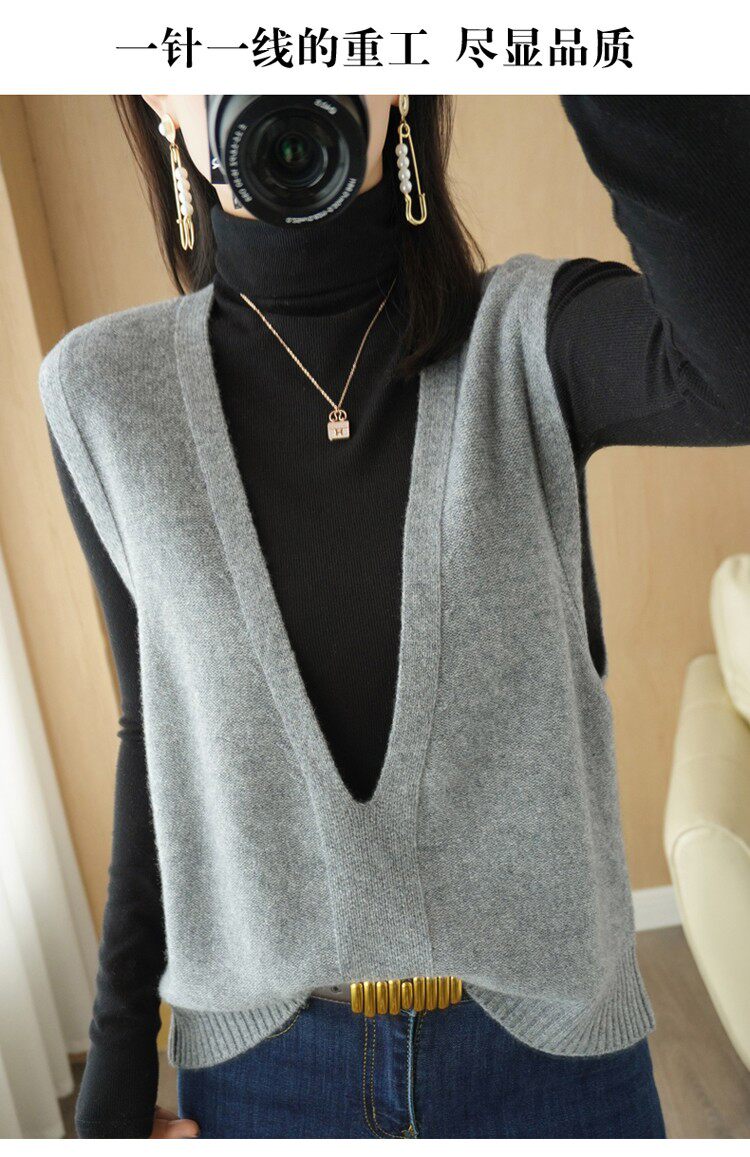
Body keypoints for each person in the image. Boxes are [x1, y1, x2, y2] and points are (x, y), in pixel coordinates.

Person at [39, 94, 749, 1139]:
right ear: (159, 98)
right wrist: (110, 1080)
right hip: (264, 1075)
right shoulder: (104, 392)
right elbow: (156, 727)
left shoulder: (528, 337)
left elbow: (733, 371)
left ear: (405, 74)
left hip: (552, 1061)